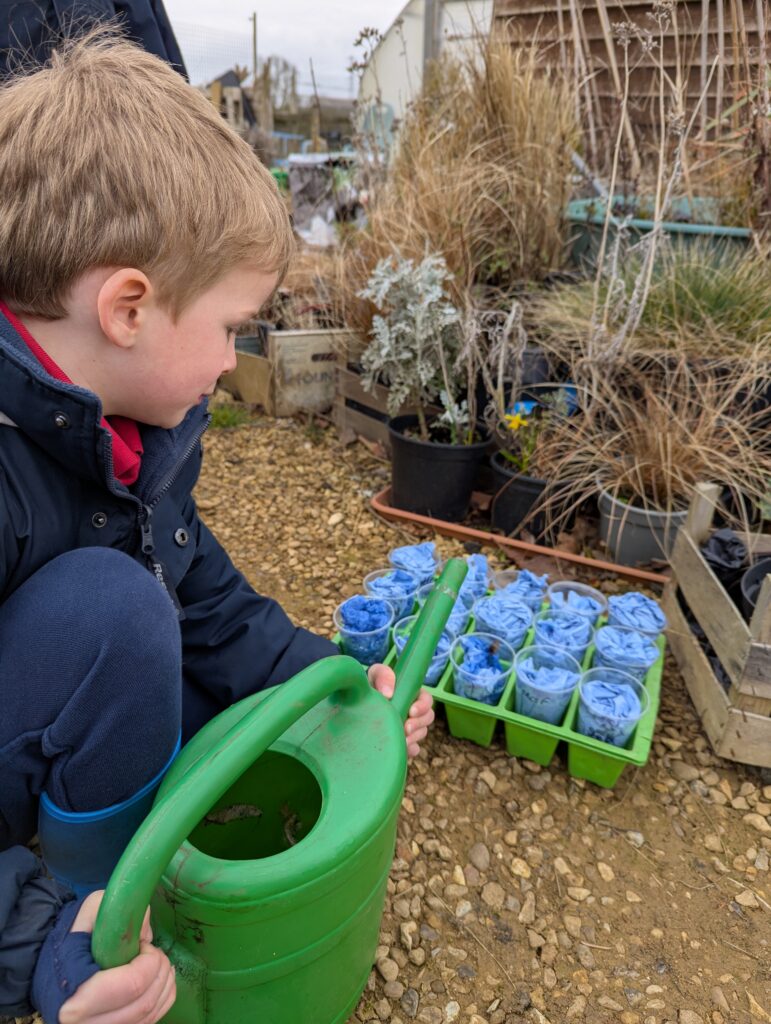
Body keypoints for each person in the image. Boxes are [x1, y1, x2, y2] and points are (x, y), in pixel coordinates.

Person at [0, 30, 435, 1024]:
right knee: (116, 613)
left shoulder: (135, 422)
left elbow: (193, 582)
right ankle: (92, 917)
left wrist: (324, 685)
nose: (235, 360)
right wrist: (33, 945)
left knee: (158, 627)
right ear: (128, 307)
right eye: (235, 326)